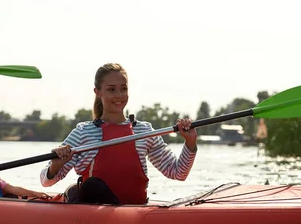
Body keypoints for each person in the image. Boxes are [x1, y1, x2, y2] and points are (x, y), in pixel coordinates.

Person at [40, 63, 197, 204]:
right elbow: (46, 181)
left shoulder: (144, 131)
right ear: (98, 92)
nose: (119, 95)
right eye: (111, 89)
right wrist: (55, 165)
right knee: (90, 186)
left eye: (123, 89)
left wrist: (190, 144)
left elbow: (178, 173)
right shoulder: (84, 132)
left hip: (134, 210)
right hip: (94, 210)